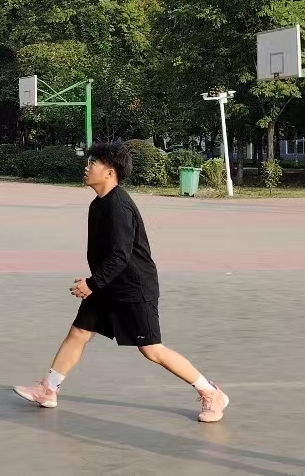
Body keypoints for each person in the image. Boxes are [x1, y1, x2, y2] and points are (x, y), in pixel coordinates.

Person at [14, 142, 229, 422]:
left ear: (110, 172)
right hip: (108, 285)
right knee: (78, 333)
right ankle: (48, 390)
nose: (87, 167)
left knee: (152, 350)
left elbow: (120, 255)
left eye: (93, 163)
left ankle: (211, 393)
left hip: (133, 287)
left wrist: (92, 284)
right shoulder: (99, 204)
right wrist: (97, 283)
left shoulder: (118, 206)